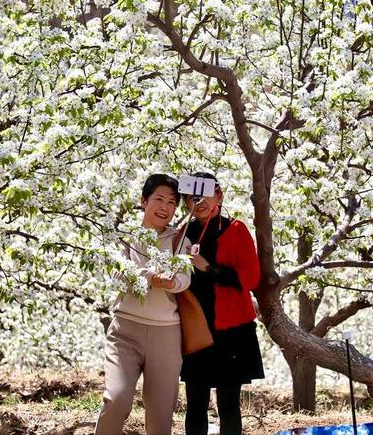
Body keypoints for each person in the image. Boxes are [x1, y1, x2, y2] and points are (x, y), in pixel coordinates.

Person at [95, 173, 191, 435]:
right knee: (116, 400)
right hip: (125, 332)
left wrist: (171, 282)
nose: (165, 207)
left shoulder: (179, 240)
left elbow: (184, 278)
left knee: (161, 415)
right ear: (143, 201)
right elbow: (117, 274)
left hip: (167, 335)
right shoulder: (124, 236)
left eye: (172, 202)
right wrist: (150, 276)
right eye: (158, 199)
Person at [181, 172, 265, 435]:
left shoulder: (236, 229)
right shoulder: (182, 235)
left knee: (229, 403)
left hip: (232, 330)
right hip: (195, 328)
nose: (199, 201)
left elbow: (251, 278)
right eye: (191, 197)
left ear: (219, 194)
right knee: (195, 402)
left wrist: (208, 268)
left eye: (205, 193)